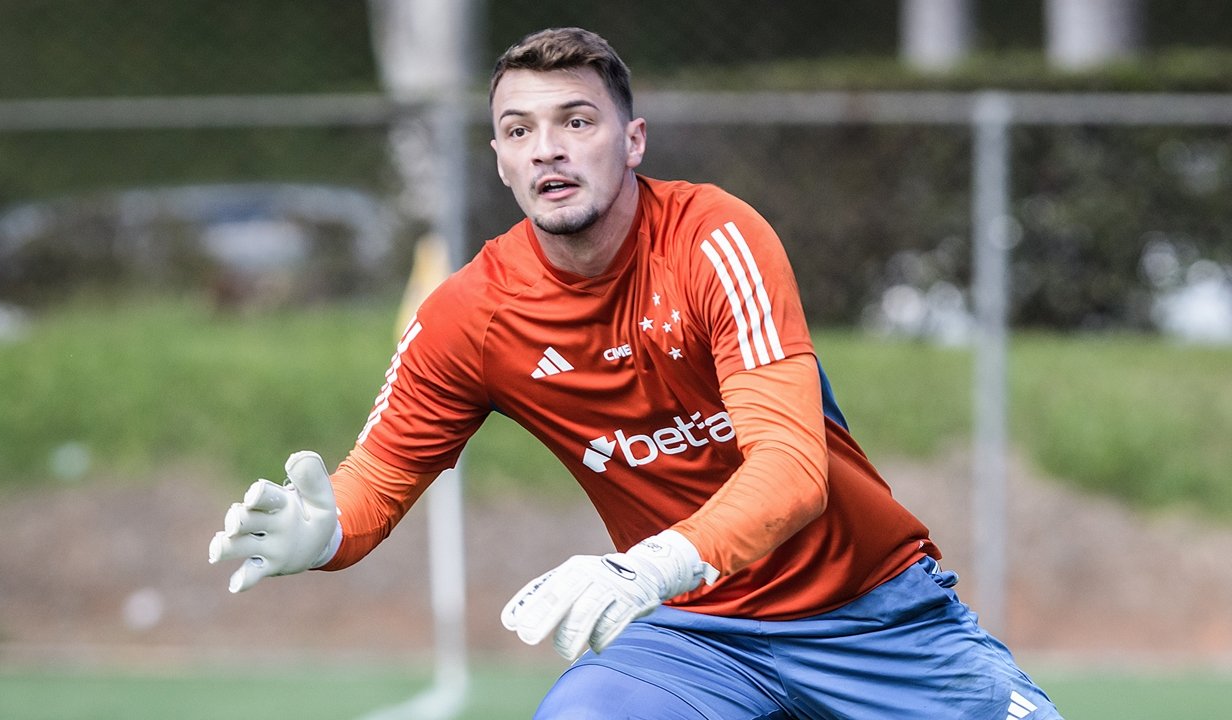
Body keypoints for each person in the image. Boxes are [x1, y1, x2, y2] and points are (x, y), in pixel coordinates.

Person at [209, 26, 1063, 719]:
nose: (548, 150)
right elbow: (378, 482)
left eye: (577, 122)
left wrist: (645, 569)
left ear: (633, 139)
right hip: (698, 640)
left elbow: (793, 471)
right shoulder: (467, 315)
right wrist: (323, 534)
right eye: (520, 131)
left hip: (874, 617)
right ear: (501, 161)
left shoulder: (714, 239)